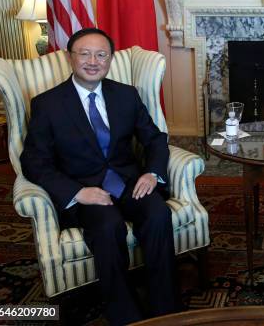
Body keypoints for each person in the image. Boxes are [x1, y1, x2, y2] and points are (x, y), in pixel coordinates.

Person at [20, 28, 176, 325]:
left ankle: (165, 311)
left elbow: (155, 139)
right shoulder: (47, 104)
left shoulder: (126, 95)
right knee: (108, 227)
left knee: (157, 213)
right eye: (85, 53)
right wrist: (77, 193)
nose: (93, 61)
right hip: (83, 191)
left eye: (101, 54)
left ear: (110, 59)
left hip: (128, 182)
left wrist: (152, 173)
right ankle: (125, 316)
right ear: (70, 58)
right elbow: (34, 162)